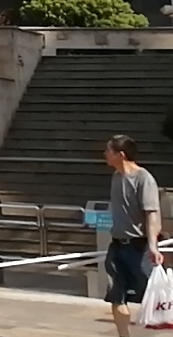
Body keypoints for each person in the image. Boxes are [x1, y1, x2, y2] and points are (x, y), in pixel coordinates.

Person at [104, 134, 163, 337]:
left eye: (108, 151)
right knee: (116, 295)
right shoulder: (116, 177)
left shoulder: (143, 179)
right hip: (117, 245)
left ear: (120, 154)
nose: (105, 154)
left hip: (138, 247)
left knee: (152, 294)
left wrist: (153, 245)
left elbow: (152, 214)